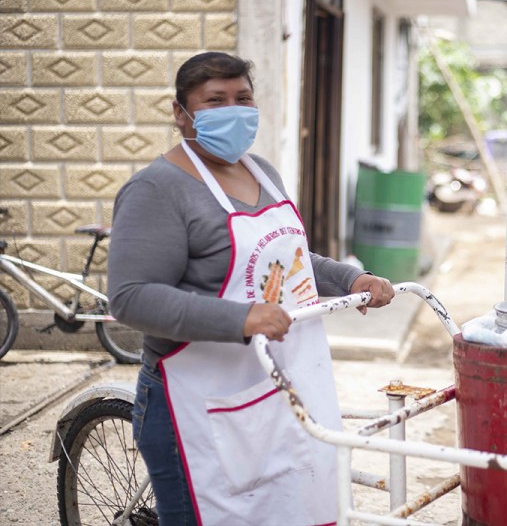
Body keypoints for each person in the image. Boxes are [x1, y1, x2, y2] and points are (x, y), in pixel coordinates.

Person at [108, 51, 395, 525]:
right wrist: (240, 318)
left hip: (276, 389)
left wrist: (350, 278)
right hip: (196, 402)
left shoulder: (261, 170)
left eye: (242, 98)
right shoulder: (157, 190)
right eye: (214, 100)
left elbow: (291, 259)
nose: (233, 110)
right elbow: (132, 296)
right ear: (181, 114)